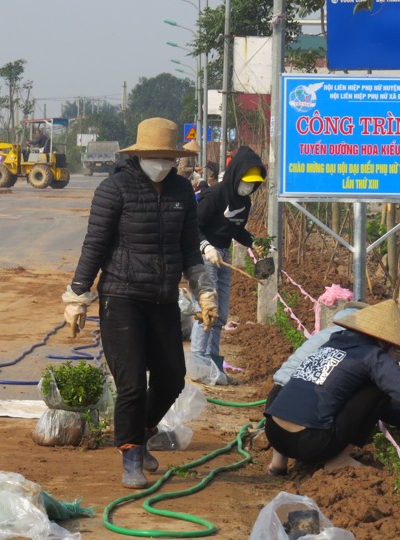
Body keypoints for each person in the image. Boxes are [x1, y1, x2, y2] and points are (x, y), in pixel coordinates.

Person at [63, 117, 218, 489]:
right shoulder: (113, 189)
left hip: (164, 299)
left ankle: (142, 433)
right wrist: (77, 297)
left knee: (170, 381)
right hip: (122, 297)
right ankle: (130, 455)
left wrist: (205, 292)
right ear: (139, 155)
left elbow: (188, 248)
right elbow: (95, 246)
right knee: (131, 384)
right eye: (155, 156)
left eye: (168, 157)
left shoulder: (182, 191)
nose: (161, 163)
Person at [264, 300, 400, 471]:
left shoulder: (333, 342)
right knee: (378, 387)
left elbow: (364, 405)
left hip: (274, 432)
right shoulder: (373, 356)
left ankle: (278, 461)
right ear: (386, 342)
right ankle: (339, 460)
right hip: (309, 444)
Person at [190, 145, 266, 381]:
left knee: (220, 314)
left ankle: (213, 362)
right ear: (236, 176)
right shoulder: (215, 196)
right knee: (207, 311)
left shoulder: (245, 203)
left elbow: (235, 229)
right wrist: (206, 247)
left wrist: (254, 242)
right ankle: (198, 361)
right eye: (246, 181)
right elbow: (192, 226)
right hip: (204, 256)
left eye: (254, 183)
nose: (249, 187)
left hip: (223, 255)